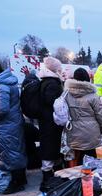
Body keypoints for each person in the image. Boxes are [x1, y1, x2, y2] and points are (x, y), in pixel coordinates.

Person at [0, 57, 27, 194]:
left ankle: (17, 182)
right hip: (12, 123)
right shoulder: (8, 81)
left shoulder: (1, 85)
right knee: (15, 151)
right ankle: (21, 179)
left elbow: (2, 108)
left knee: (10, 153)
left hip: (5, 125)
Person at [64, 68, 102, 165]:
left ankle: (75, 178)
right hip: (91, 134)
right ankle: (90, 178)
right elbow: (101, 115)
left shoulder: (66, 94)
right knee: (92, 160)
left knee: (76, 159)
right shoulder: (93, 96)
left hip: (73, 132)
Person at [38, 57, 64, 188]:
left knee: (53, 148)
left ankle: (55, 176)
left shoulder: (46, 81)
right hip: (50, 122)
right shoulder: (52, 83)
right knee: (49, 149)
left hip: (48, 121)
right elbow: (53, 103)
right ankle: (47, 180)